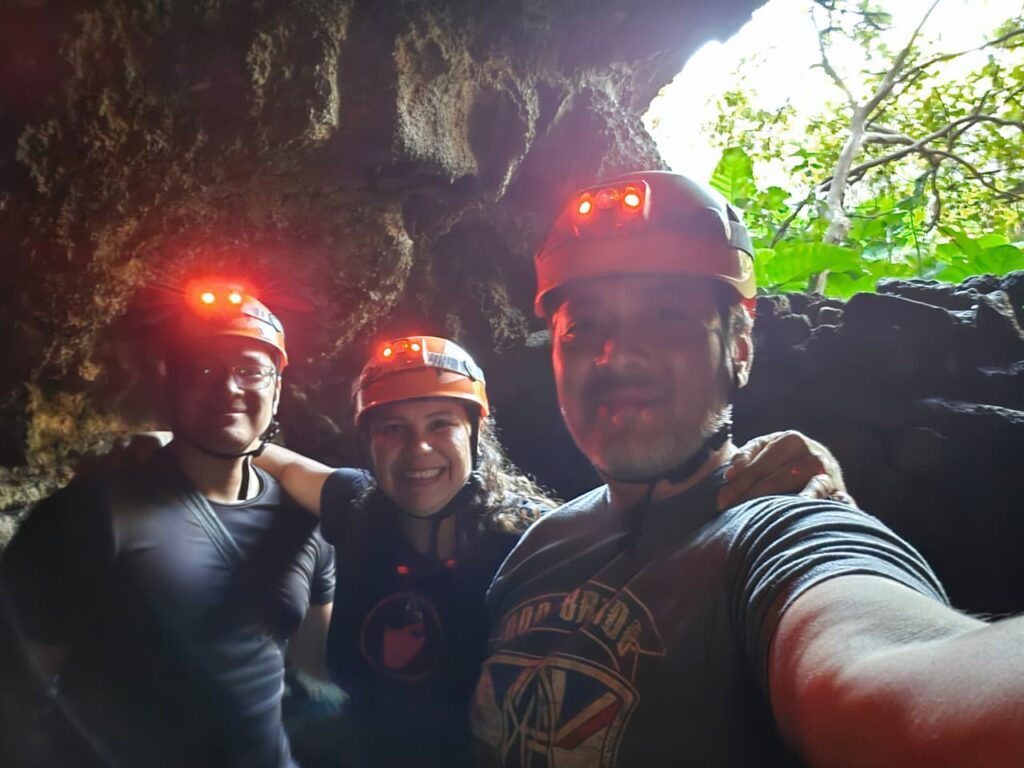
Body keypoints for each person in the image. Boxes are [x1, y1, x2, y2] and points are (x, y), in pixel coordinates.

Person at [471, 171, 1024, 767]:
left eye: (666, 315)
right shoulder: (537, 548)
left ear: (739, 349)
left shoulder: (783, 533)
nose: (618, 354)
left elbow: (886, 677)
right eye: (583, 327)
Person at [254, 335, 853, 767]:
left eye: (441, 424)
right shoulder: (357, 505)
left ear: (475, 435)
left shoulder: (534, 542)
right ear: (368, 443)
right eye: (392, 429)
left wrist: (786, 473)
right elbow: (276, 460)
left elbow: (666, 535)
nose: (417, 450)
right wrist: (178, 435)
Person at [0, 281, 334, 768]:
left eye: (250, 371)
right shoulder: (87, 516)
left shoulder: (302, 520)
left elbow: (316, 660)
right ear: (170, 383)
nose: (228, 387)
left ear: (277, 389)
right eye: (202, 368)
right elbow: (13, 690)